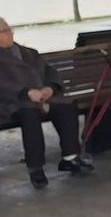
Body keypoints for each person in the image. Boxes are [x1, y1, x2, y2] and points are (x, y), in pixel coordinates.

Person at [0, 17, 92, 189]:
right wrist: (25, 92)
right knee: (30, 114)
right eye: (3, 31)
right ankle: (35, 167)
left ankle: (70, 157)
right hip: (12, 102)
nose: (9, 33)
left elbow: (50, 71)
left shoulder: (28, 52)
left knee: (66, 105)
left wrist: (51, 87)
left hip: (42, 97)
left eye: (9, 29)